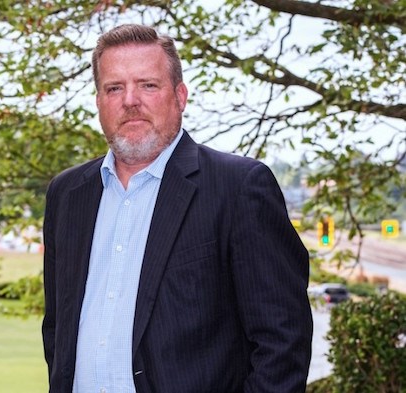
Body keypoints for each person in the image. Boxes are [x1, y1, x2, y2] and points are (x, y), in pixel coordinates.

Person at [41, 24, 313, 393]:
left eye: (148, 85)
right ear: (99, 102)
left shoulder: (238, 188)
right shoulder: (67, 194)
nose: (130, 100)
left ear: (180, 96)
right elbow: (58, 330)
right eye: (114, 88)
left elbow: (283, 344)